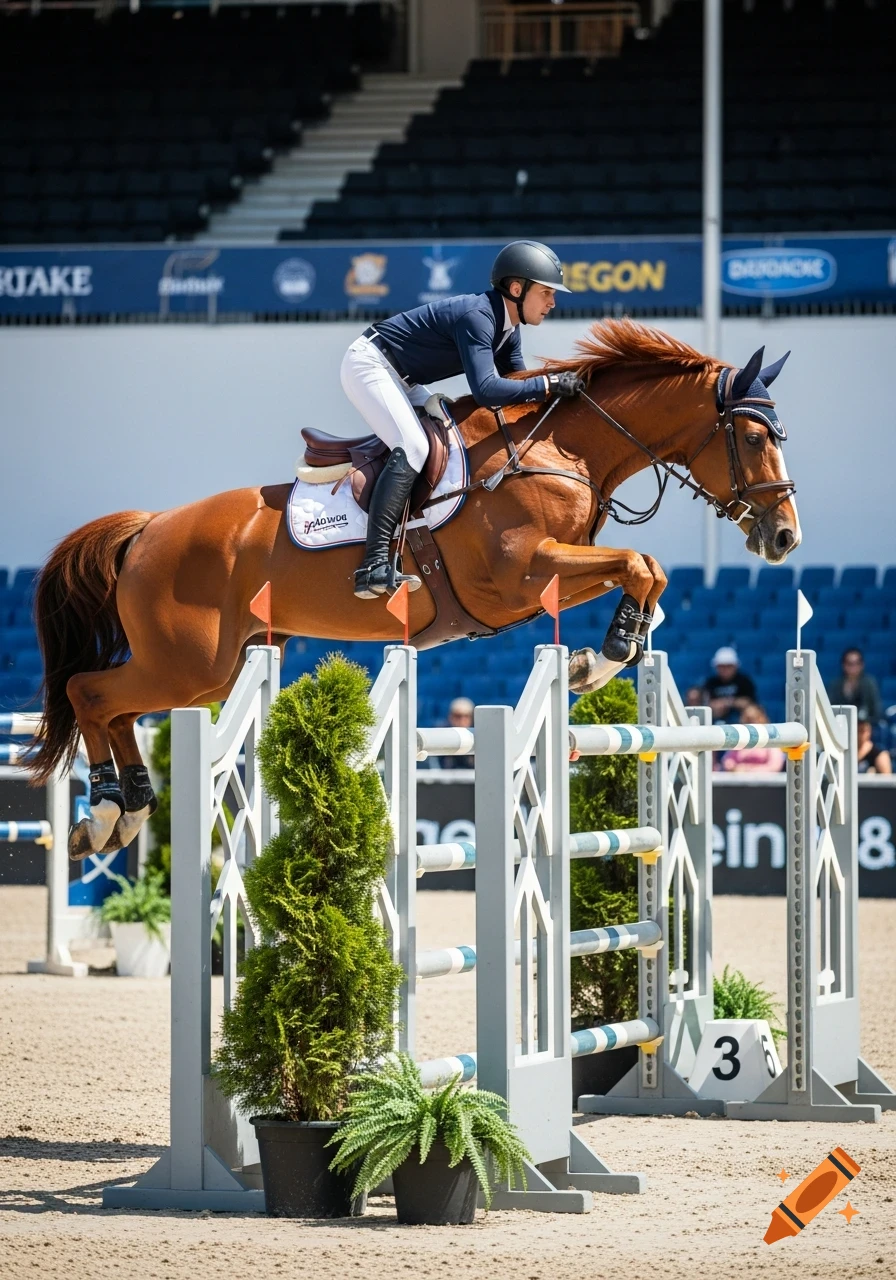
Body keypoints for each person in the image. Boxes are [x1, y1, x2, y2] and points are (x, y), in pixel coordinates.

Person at [340, 240, 581, 600]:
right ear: (517, 289)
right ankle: (372, 564)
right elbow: (486, 390)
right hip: (369, 364)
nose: (552, 302)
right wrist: (549, 383)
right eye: (546, 292)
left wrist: (560, 398)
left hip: (403, 378)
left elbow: (518, 389)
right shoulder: (478, 316)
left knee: (449, 435)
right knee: (415, 445)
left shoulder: (509, 330)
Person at [720, 704, 786, 773]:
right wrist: (736, 768)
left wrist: (748, 770)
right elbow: (727, 762)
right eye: (747, 720)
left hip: (765, 781)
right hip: (739, 780)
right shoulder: (740, 739)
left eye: (754, 719)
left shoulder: (771, 739)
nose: (751, 723)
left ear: (762, 719)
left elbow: (774, 766)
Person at [827, 648, 883, 723]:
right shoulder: (835, 684)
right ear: (843, 665)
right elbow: (829, 709)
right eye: (849, 664)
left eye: (857, 663)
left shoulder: (869, 683)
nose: (853, 667)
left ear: (862, 665)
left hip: (865, 727)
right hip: (840, 726)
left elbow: (877, 711)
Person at [702, 646, 757, 724]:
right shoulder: (711, 682)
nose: (725, 670)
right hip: (716, 717)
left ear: (735, 666)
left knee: (752, 712)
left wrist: (727, 703)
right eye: (722, 666)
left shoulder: (744, 681)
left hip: (739, 716)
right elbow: (707, 703)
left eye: (728, 666)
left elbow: (749, 702)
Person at [430, 696, 474, 771]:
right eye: (458, 716)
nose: (462, 720)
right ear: (450, 716)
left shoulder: (478, 736)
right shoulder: (440, 735)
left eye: (466, 716)